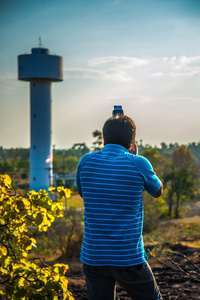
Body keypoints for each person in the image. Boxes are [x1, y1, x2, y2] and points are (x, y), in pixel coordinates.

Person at [76, 114, 163, 300]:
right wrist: (136, 158)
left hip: (94, 257)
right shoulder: (139, 163)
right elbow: (157, 191)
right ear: (133, 143)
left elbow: (85, 194)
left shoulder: (85, 162)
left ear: (104, 139)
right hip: (128, 258)